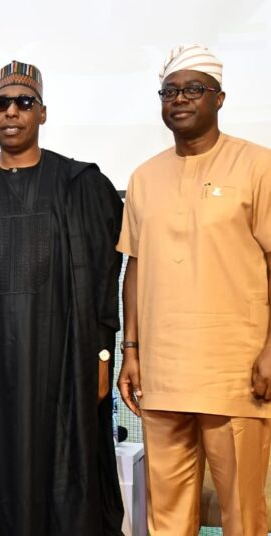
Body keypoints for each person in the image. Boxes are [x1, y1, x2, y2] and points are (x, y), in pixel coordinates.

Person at [0, 61, 124, 535]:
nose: (11, 112)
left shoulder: (80, 186)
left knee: (62, 482)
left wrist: (101, 356)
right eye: (1, 103)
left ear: (43, 112)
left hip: (62, 368)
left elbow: (102, 280)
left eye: (24, 102)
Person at [117, 44, 271, 536]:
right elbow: (135, 268)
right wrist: (132, 350)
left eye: (193, 89)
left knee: (243, 513)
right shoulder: (143, 177)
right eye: (169, 91)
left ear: (219, 99)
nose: (179, 99)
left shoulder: (258, 166)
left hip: (236, 372)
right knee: (167, 516)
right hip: (164, 371)